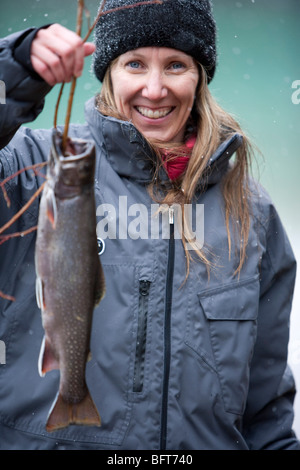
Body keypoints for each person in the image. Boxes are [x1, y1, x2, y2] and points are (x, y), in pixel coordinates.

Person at [0, 0, 299, 451]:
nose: (155, 90)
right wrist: (15, 68)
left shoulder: (250, 210)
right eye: (135, 63)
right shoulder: (31, 170)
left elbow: (268, 412)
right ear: (108, 74)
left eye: (176, 64)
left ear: (199, 77)